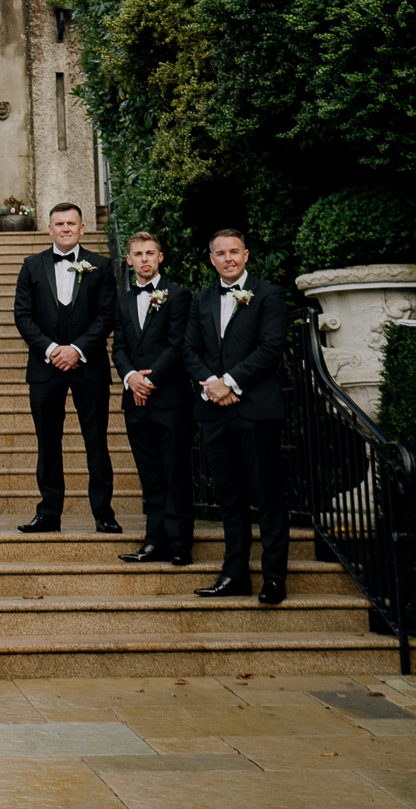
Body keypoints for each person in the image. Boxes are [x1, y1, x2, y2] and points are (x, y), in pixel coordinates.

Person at [183, 228, 290, 604]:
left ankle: (274, 578)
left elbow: (271, 347)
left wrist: (230, 382)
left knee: (268, 496)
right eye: (220, 253)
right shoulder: (201, 300)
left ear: (246, 255)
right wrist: (212, 384)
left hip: (257, 411)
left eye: (234, 252)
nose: (227, 258)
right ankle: (235, 574)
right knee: (229, 497)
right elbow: (190, 349)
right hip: (214, 412)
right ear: (211, 259)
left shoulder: (269, 295)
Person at [10, 202, 120, 533]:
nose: (66, 228)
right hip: (45, 369)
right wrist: (52, 349)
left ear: (82, 228)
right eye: (60, 224)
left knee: (97, 441)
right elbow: (22, 315)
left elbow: (107, 315)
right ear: (50, 229)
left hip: (90, 366)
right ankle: (48, 512)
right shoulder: (31, 265)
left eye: (72, 223)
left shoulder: (100, 265)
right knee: (47, 441)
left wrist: (77, 349)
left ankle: (103, 513)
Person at [111, 231, 195, 565]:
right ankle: (153, 541)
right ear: (129, 260)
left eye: (150, 253)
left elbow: (177, 345)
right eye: (137, 254)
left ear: (160, 257)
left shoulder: (179, 296)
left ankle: (179, 544)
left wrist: (150, 380)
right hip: (135, 400)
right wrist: (131, 377)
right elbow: (118, 347)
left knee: (175, 472)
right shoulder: (123, 301)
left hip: (170, 399)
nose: (144, 259)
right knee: (150, 474)